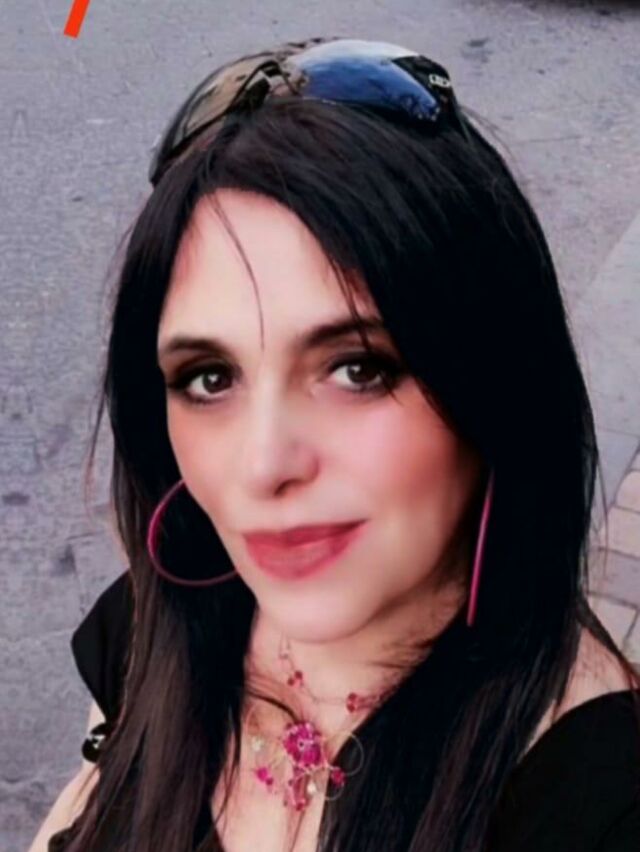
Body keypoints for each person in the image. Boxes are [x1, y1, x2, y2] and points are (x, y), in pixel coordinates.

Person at [32, 36, 639, 852]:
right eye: (209, 378)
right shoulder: (157, 628)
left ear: (495, 379)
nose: (263, 465)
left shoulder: (595, 801)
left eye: (357, 368)